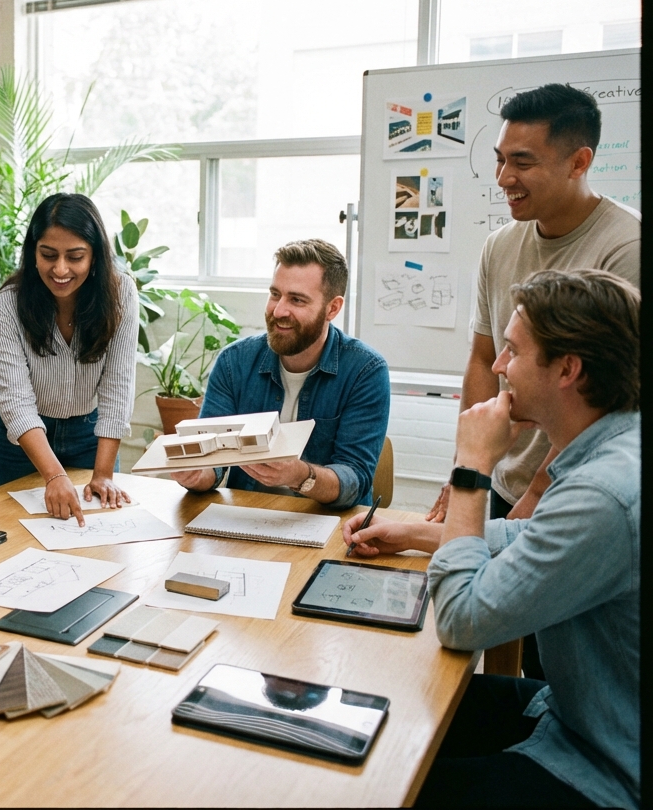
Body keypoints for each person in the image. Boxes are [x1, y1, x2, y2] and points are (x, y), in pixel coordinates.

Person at [345, 269, 639, 809]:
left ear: (568, 369)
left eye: (514, 351)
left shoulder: (603, 492)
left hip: (605, 765)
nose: (499, 366)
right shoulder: (614, 448)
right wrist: (417, 532)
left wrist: (473, 463)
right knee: (387, 706)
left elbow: (461, 621)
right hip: (575, 712)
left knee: (373, 786)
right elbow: (534, 535)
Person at [425, 83, 640, 679]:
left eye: (522, 162)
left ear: (579, 161)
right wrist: (468, 465)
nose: (504, 178)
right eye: (500, 159)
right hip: (500, 471)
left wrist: (537, 495)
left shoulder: (626, 247)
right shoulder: (500, 245)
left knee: (556, 653)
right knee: (494, 646)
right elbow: (482, 359)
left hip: (571, 482)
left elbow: (611, 401)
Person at [171, 239, 388, 509]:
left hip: (327, 521)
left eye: (296, 300)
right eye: (275, 294)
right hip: (246, 516)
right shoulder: (233, 362)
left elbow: (355, 478)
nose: (278, 310)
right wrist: (196, 475)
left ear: (332, 308)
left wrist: (300, 475)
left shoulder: (365, 371)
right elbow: (212, 462)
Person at [0, 193, 140, 524]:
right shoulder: (8, 305)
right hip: (20, 445)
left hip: (89, 438)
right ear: (33, 253)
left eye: (75, 257)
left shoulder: (122, 295)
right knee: (20, 535)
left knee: (95, 530)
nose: (60, 269)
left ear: (95, 256)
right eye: (48, 255)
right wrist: (54, 476)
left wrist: (103, 474)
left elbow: (117, 387)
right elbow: (16, 402)